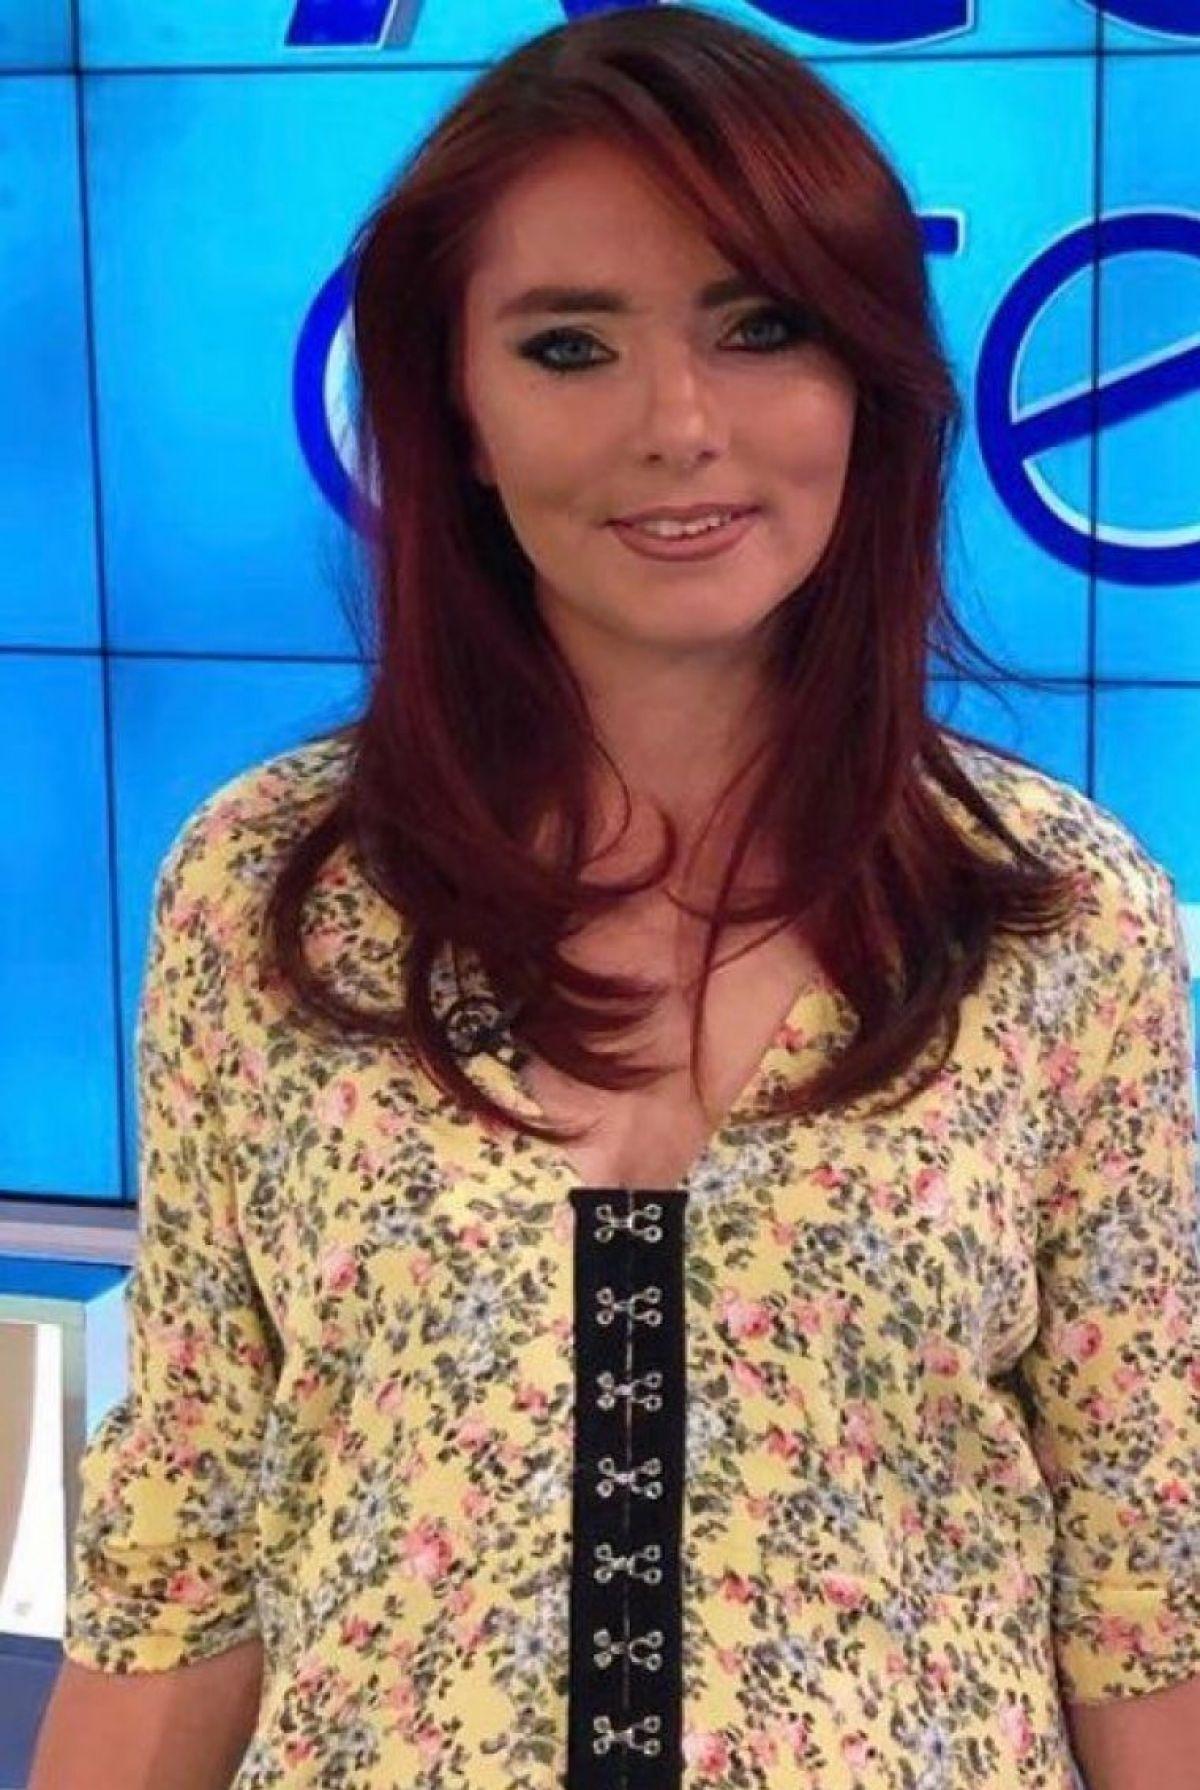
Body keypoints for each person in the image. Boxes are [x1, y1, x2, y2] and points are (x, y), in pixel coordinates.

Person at [31, 7, 1200, 1788]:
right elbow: (183, 1545)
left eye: (762, 327)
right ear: (458, 411)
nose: (680, 426)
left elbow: (1143, 1586)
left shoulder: (1061, 916)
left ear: (868, 377)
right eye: (569, 345)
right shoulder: (269, 892)